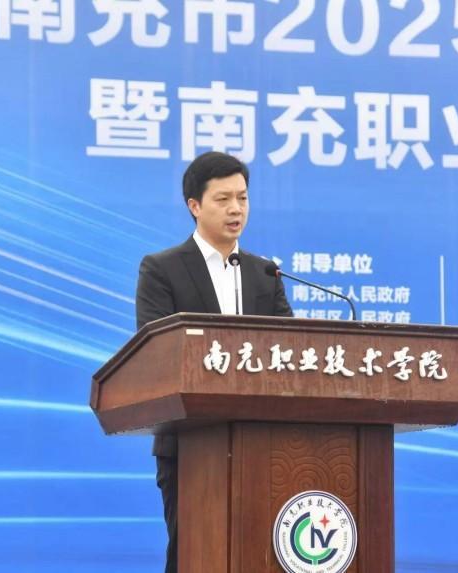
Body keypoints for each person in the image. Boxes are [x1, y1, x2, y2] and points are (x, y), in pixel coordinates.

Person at [135, 151, 293, 572]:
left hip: (264, 444)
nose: (236, 209)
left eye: (242, 197)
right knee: (193, 554)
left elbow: (292, 353)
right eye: (223, 199)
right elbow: (156, 353)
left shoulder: (265, 274)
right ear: (194, 205)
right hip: (191, 443)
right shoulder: (162, 269)